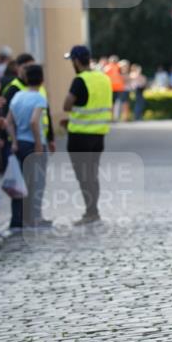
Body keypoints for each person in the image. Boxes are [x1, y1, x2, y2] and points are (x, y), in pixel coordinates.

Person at [61, 45, 113, 225]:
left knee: (84, 176)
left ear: (76, 61)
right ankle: (94, 211)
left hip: (80, 137)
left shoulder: (80, 80)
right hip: (99, 136)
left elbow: (67, 105)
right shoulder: (104, 78)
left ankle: (91, 213)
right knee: (92, 174)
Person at [5, 63, 49, 230]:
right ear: (42, 80)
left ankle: (17, 220)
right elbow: (33, 121)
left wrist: (14, 140)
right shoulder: (39, 98)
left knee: (19, 182)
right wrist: (38, 144)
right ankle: (33, 219)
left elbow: (9, 121)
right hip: (34, 144)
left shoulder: (17, 96)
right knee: (36, 183)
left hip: (20, 144)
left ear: (24, 79)